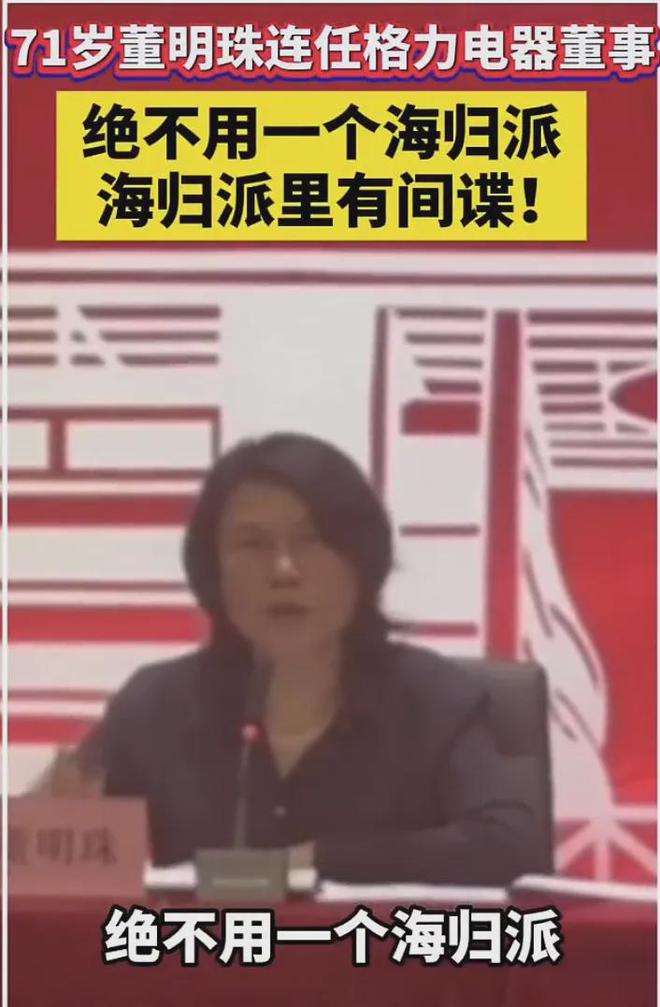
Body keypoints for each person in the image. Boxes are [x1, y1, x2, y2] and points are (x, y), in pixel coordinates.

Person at [46, 432, 550, 883]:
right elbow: (50, 851)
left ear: (360, 559)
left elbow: (509, 846)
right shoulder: (156, 704)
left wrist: (312, 862)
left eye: (311, 541)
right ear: (212, 570)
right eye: (252, 544)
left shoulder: (431, 699)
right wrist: (53, 824)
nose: (284, 570)